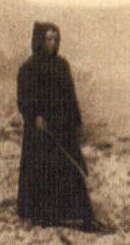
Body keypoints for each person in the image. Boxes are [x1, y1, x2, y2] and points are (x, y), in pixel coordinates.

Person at [16, 22, 94, 229]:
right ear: (40, 41)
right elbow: (23, 99)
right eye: (49, 39)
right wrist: (34, 116)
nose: (52, 43)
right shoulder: (28, 68)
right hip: (40, 129)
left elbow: (70, 96)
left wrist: (77, 123)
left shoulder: (62, 65)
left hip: (62, 125)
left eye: (55, 39)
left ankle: (73, 212)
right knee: (42, 169)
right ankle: (41, 213)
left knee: (69, 167)